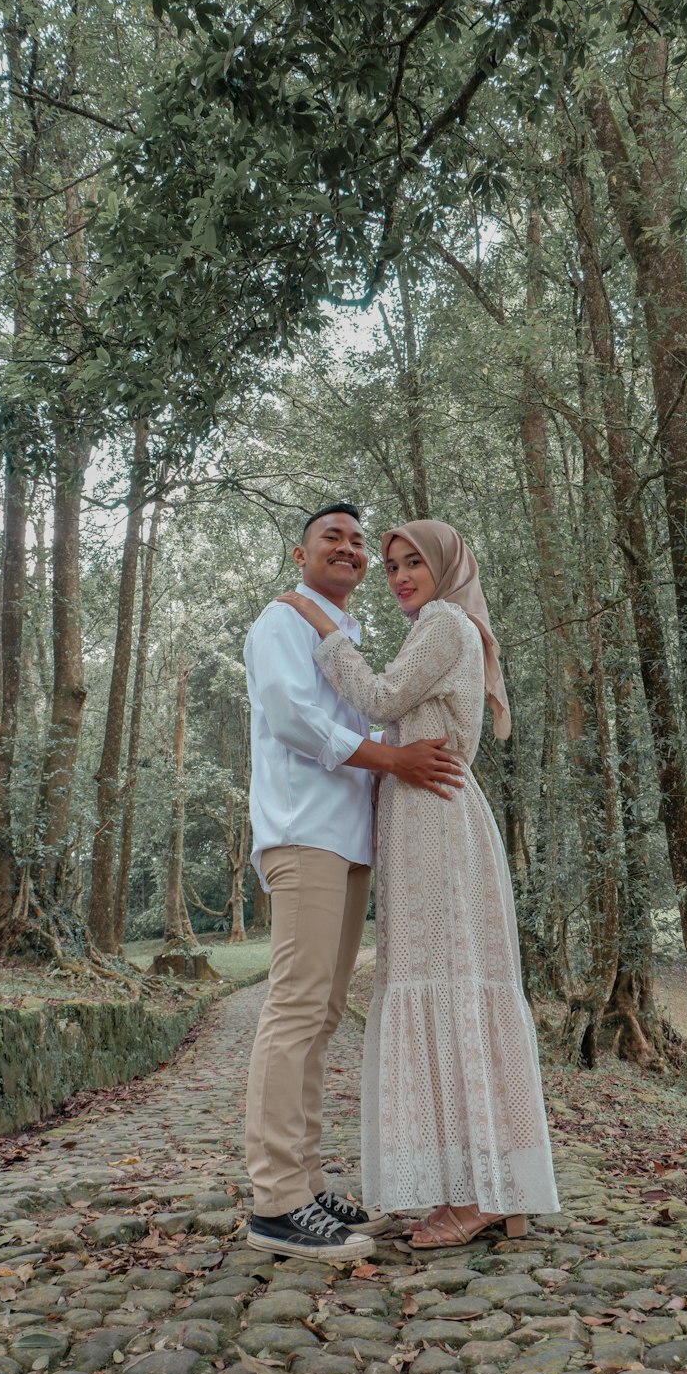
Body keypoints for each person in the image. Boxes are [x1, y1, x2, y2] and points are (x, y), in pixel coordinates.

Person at [278, 518, 559, 1247]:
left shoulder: (442, 623)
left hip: (436, 822)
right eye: (394, 564)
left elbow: (376, 697)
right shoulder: (443, 625)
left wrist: (320, 623)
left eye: (414, 564)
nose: (401, 576)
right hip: (426, 820)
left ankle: (479, 1195)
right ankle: (484, 1186)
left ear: (445, 569)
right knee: (447, 982)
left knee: (451, 983)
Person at [243, 503, 463, 1260]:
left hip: (347, 839)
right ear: (300, 553)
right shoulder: (282, 624)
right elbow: (291, 718)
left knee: (324, 1011)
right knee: (297, 1005)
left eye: (358, 542)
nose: (350, 548)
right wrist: (394, 762)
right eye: (332, 537)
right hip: (304, 833)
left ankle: (302, 1183)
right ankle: (275, 1202)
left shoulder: (350, 638)